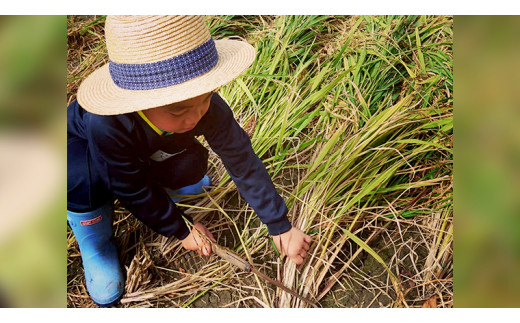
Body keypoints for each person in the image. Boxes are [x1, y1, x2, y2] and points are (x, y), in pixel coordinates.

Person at [67, 15, 312, 307]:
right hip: (83, 153)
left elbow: (240, 158)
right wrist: (180, 228)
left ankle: (166, 190)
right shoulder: (105, 124)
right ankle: (94, 239)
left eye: (205, 99)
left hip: (144, 150)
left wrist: (279, 225)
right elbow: (131, 187)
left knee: (192, 164)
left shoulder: (198, 105)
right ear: (138, 99)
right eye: (178, 109)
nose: (195, 116)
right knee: (83, 179)